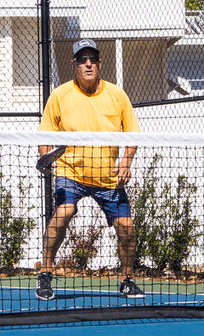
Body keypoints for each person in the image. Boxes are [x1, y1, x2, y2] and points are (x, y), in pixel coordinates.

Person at [37, 38, 144, 300]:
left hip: (107, 177)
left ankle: (127, 280)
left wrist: (126, 162)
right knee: (64, 211)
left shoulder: (117, 95)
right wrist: (46, 158)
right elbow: (45, 135)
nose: (88, 64)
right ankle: (45, 273)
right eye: (82, 60)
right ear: (74, 64)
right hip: (70, 173)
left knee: (127, 227)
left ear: (99, 63)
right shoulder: (60, 95)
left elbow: (133, 134)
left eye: (92, 59)